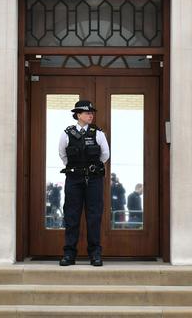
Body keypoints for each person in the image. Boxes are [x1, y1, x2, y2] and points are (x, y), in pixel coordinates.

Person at [58, 100, 110, 267]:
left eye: (91, 113)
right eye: (87, 113)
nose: (90, 115)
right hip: (74, 179)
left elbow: (105, 155)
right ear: (78, 115)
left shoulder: (98, 133)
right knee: (71, 216)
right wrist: (77, 169)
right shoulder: (67, 133)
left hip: (94, 179)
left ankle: (95, 254)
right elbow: (62, 155)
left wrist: (91, 169)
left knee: (94, 217)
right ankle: (69, 254)